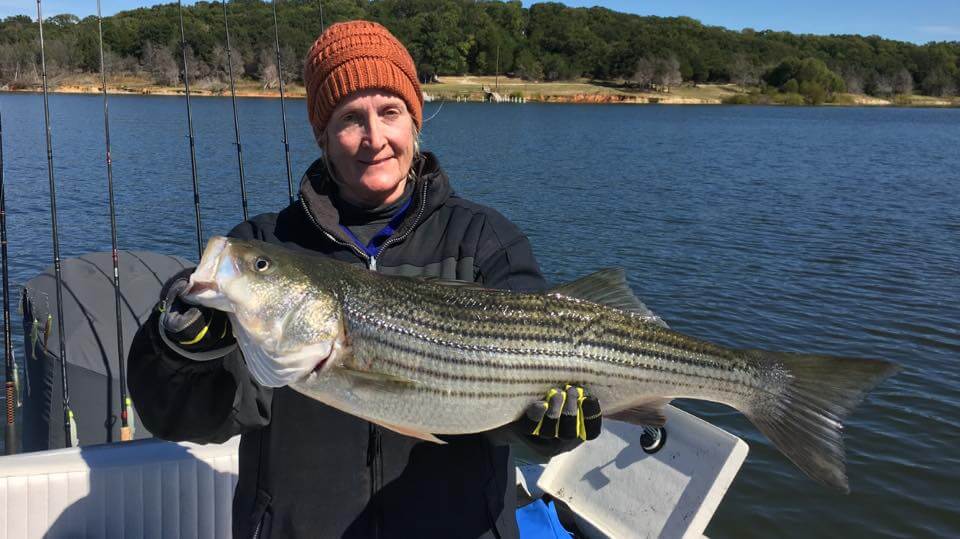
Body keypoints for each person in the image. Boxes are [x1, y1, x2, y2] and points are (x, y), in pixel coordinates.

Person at [128, 21, 600, 539]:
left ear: (414, 121)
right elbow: (182, 420)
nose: (375, 139)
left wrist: (549, 433)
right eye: (351, 119)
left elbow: (525, 407)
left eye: (389, 112)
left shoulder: (485, 240)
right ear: (322, 135)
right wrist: (177, 349)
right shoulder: (267, 242)